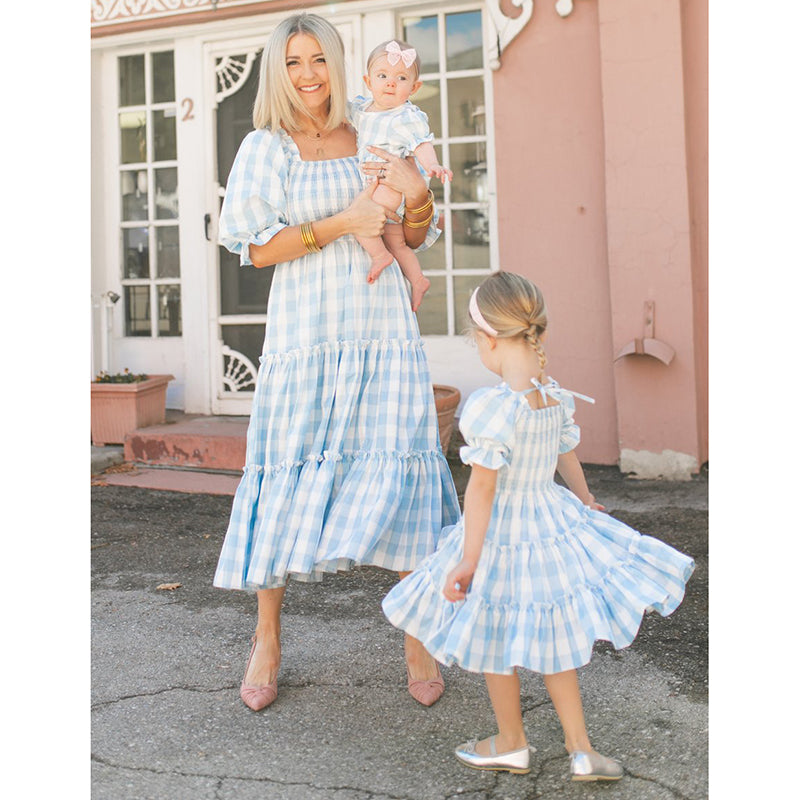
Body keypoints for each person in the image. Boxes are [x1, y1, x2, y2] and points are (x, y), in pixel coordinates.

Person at [212, 12, 460, 713]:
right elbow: (257, 248)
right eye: (294, 62)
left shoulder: (374, 122)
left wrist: (416, 196)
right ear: (277, 71)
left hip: (381, 331)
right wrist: (338, 227)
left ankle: (417, 635)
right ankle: (267, 636)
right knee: (285, 466)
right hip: (306, 337)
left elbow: (417, 230)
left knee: (402, 461)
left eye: (318, 58)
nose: (310, 74)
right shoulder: (266, 145)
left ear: (339, 61)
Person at [382, 271, 695, 781]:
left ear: (487, 341)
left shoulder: (492, 408)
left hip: (502, 531)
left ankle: (511, 742)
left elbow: (482, 489)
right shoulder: (553, 396)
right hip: (550, 519)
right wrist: (587, 501)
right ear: (537, 333)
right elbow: (565, 455)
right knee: (554, 636)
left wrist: (469, 556)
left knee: (493, 636)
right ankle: (581, 748)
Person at [351, 39, 453, 312]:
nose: (390, 83)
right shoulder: (362, 109)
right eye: (382, 76)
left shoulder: (405, 115)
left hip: (389, 182)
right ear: (368, 81)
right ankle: (418, 280)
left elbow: (422, 144)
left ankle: (379, 255)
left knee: (361, 221)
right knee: (397, 239)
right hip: (380, 181)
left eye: (401, 78)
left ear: (414, 88)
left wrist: (433, 165)